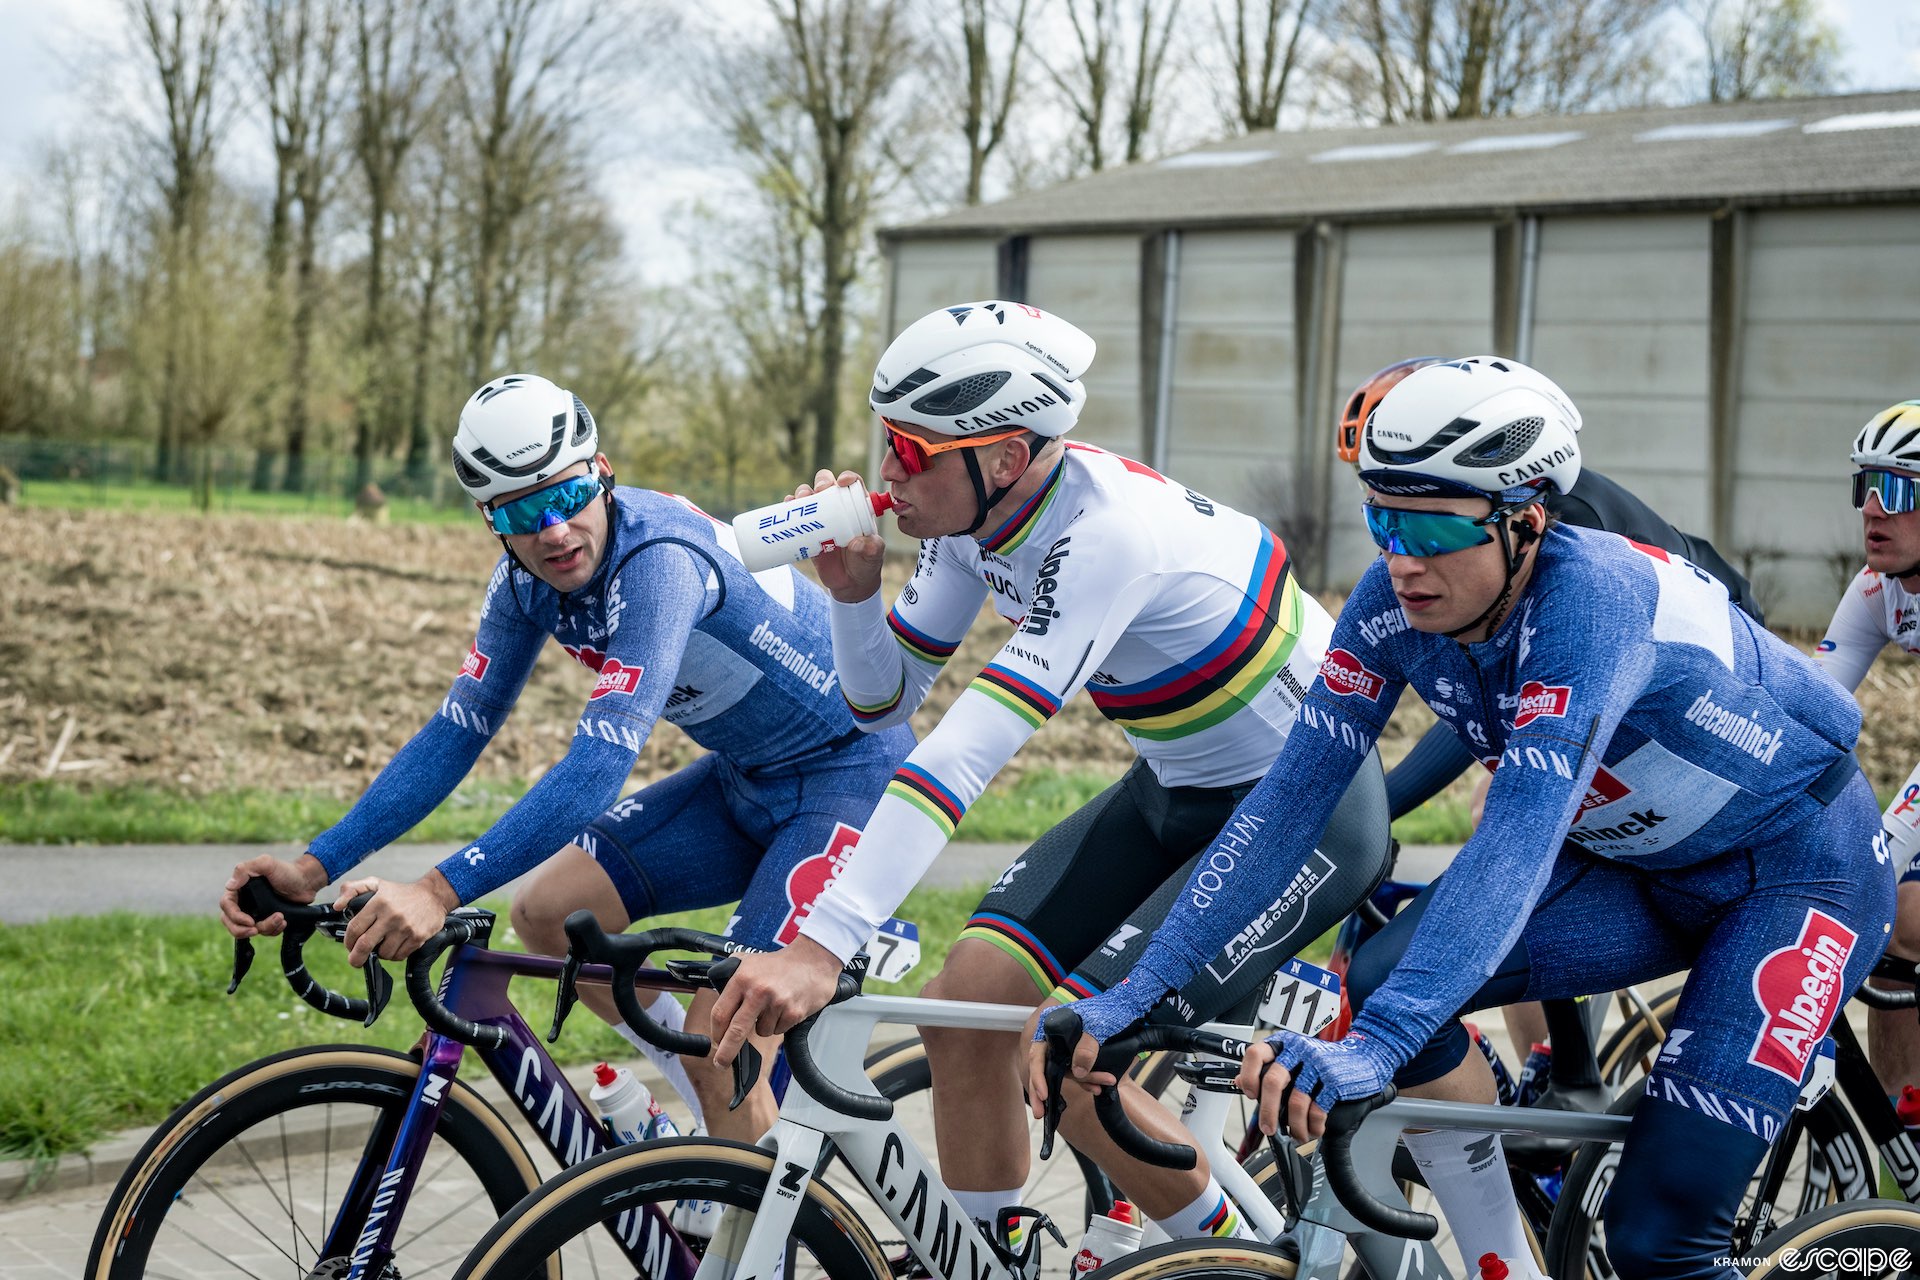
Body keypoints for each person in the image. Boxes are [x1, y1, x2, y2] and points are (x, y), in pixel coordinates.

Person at [1037, 356, 1893, 1279]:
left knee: (1658, 1243)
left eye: (1435, 523)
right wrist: (1139, 990)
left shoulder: (1593, 602)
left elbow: (1519, 832)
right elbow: (1286, 807)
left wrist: (1382, 1044)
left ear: (1526, 521)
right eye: (1382, 517)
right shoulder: (1391, 605)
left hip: (1799, 877)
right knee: (1381, 983)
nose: (1403, 557)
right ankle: (1503, 1264)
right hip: (1639, 872)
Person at [710, 301, 1392, 1246]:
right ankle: (994, 1259)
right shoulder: (970, 522)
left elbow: (958, 756)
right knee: (964, 1012)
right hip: (1177, 790)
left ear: (1000, 458)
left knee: (1076, 1065)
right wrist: (856, 600)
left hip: (1307, 813)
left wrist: (820, 948)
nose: (889, 471)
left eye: (913, 450)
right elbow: (884, 702)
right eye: (888, 443)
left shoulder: (1108, 535)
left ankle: (1244, 1265)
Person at [217, 373, 914, 1142]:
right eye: (520, 511)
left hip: (852, 779)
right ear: (491, 519)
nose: (552, 531)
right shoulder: (523, 585)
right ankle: (715, 1127)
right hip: (747, 778)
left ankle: (753, 1232)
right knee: (551, 917)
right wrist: (313, 868)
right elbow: (457, 730)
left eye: (566, 496)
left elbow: (596, 768)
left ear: (603, 472)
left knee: (728, 1031)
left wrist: (439, 892)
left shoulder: (660, 564)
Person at [1347, 358, 1767, 1087]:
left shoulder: (1558, 532)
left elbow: (1520, 711)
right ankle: (1552, 1056)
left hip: (1710, 666)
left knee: (1522, 813)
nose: (1401, 530)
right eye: (1384, 506)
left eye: (1421, 503)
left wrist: (1380, 803)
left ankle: (1569, 1067)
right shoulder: (1464, 531)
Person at [1813, 400, 1920, 1110]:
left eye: (1902, 489)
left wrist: (1880, 845)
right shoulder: (1878, 587)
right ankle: (1899, 1132)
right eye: (1866, 486)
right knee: (1897, 931)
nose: (1874, 509)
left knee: (1897, 899)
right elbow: (1813, 712)